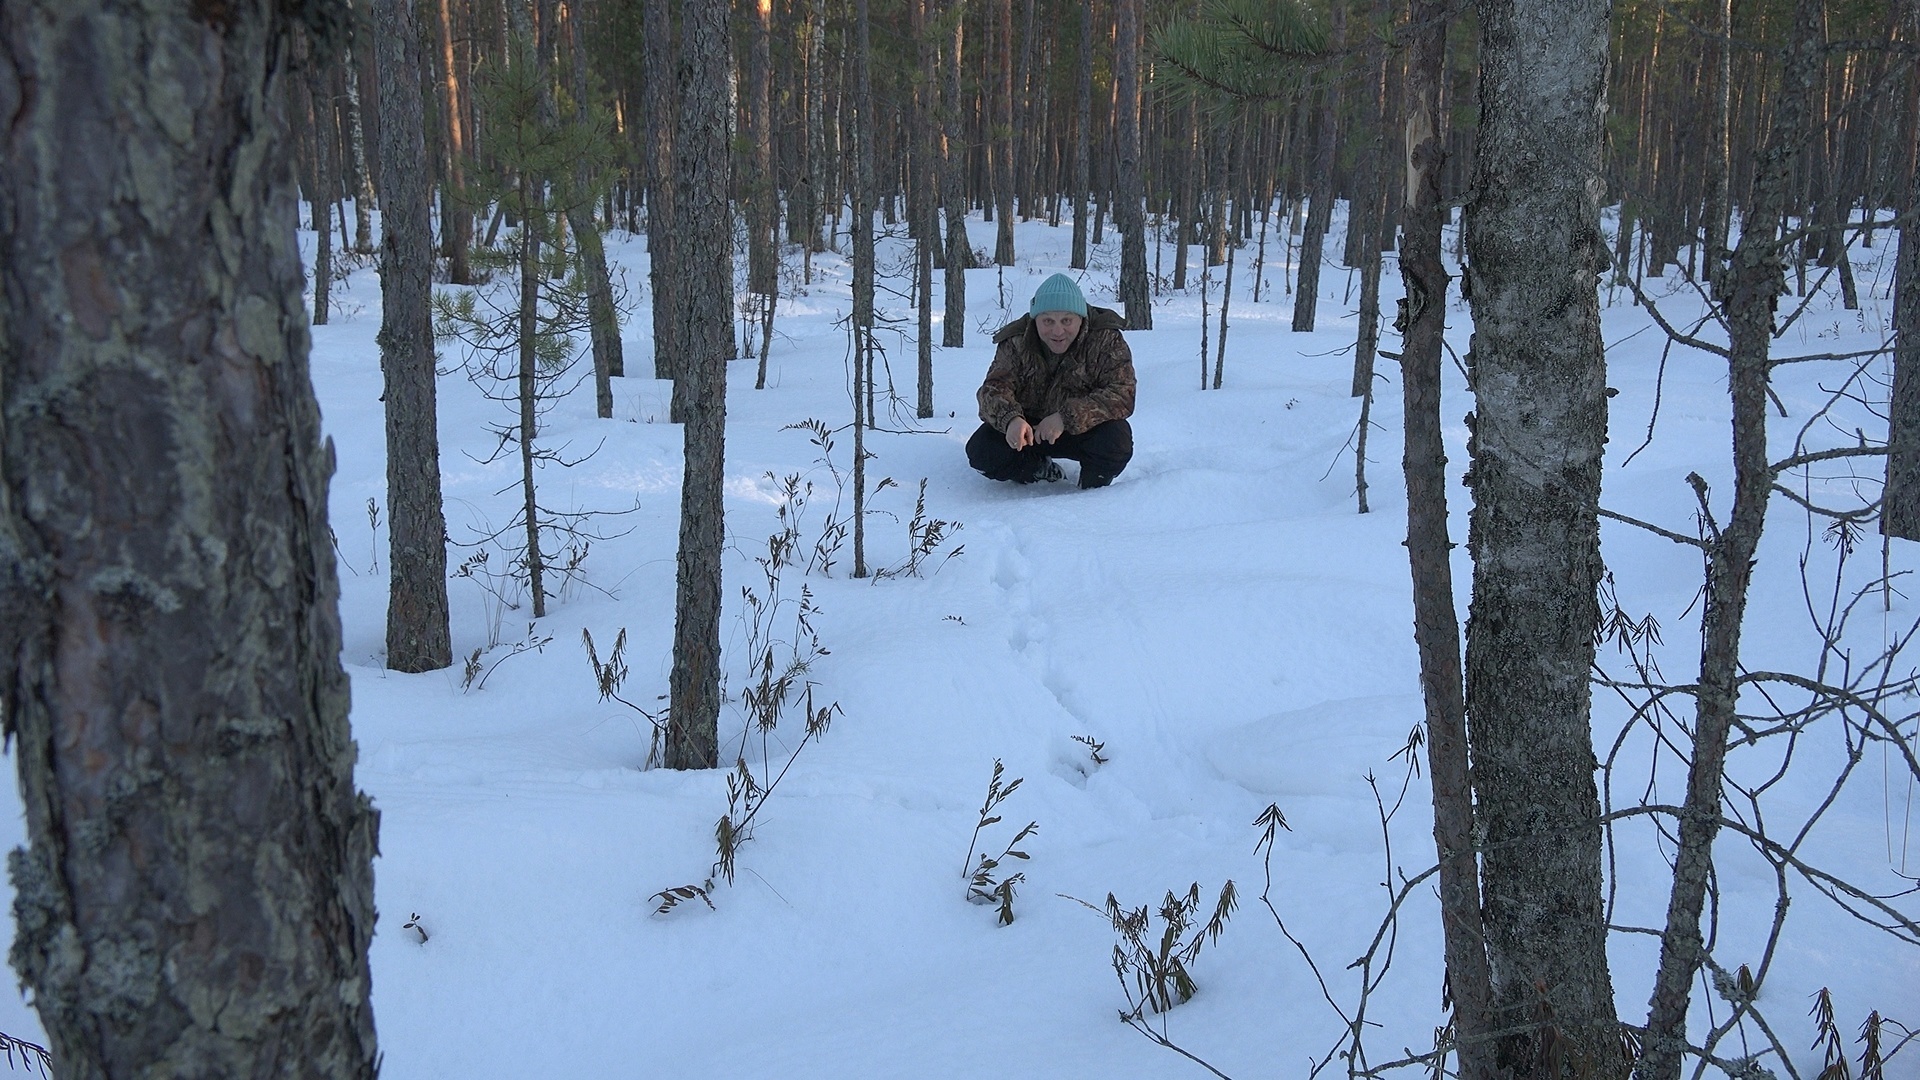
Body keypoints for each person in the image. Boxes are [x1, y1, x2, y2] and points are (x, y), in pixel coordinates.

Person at [967, 273, 1136, 490]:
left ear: (1081, 318)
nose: (1057, 331)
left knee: (1116, 440)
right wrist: (1011, 419)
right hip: (1028, 432)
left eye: (1067, 320)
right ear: (1035, 319)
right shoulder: (1016, 340)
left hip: (1082, 430)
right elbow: (993, 389)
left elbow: (1122, 393)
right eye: (1048, 321)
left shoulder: (1105, 338)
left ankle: (1094, 492)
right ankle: (1038, 470)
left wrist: (1066, 417)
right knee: (982, 450)